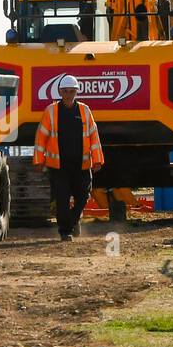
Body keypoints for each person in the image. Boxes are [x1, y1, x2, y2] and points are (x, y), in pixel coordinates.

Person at [32, 75, 104, 241]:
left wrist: (97, 159)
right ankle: (65, 232)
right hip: (58, 166)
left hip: (82, 164)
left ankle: (73, 221)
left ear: (77, 92)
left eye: (72, 91)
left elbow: (94, 136)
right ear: (60, 92)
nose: (69, 94)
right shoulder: (51, 111)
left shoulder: (85, 110)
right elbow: (41, 136)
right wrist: (38, 159)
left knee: (83, 196)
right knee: (62, 200)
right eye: (66, 91)